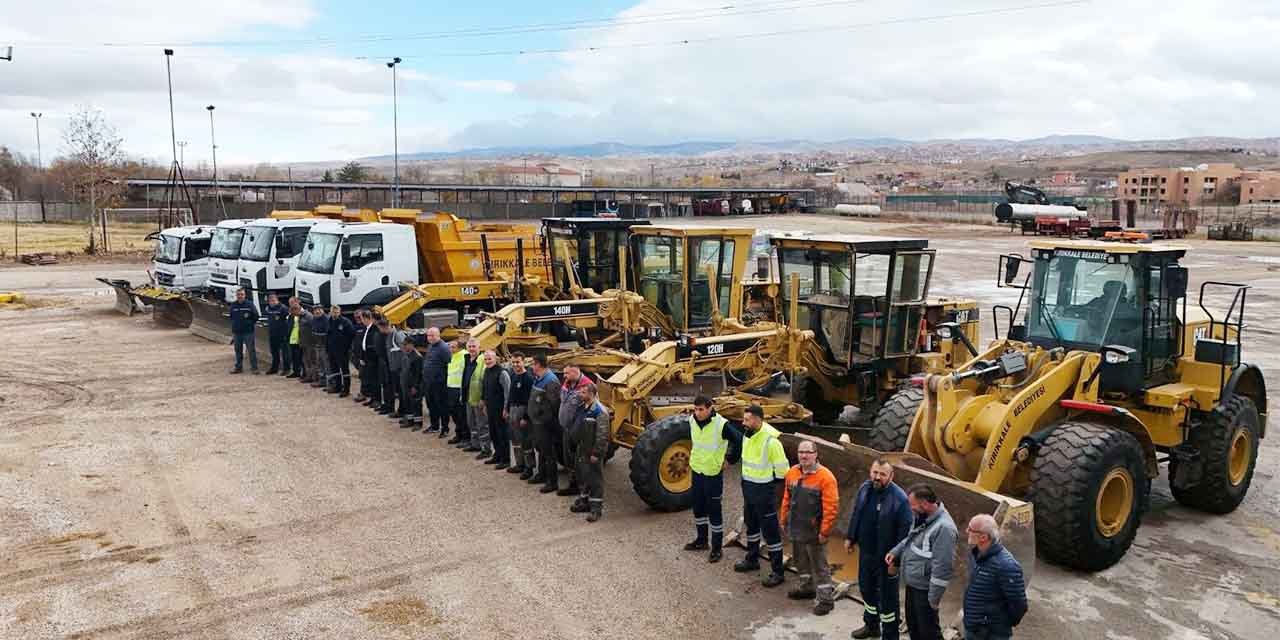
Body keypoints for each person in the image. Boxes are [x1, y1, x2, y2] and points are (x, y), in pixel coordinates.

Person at [844, 459, 913, 640]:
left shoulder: (900, 500)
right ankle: (871, 625)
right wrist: (850, 537)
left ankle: (890, 636)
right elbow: (857, 513)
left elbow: (905, 535)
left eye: (882, 474)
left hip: (886, 559)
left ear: (891, 476)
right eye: (875, 472)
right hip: (866, 553)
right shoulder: (865, 488)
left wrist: (896, 561)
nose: (877, 477)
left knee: (888, 600)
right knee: (866, 589)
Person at [887, 484, 957, 640]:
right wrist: (896, 551)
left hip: (925, 591)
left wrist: (933, 599)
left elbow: (943, 568)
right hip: (914, 584)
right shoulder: (922, 517)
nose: (911, 510)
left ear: (925, 503)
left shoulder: (944, 528)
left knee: (928, 633)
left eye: (913, 506)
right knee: (914, 627)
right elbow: (912, 538)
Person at [779, 440, 840, 616]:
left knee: (820, 566)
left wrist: (824, 532)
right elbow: (786, 498)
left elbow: (831, 508)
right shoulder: (792, 473)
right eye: (801, 452)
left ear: (816, 455)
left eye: (808, 452)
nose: (804, 455)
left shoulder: (826, 478)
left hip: (814, 532)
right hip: (796, 527)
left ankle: (826, 600)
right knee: (800, 560)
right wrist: (783, 519)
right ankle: (806, 587)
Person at [733, 404, 790, 588]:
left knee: (771, 533)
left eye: (747, 419)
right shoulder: (748, 435)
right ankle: (752, 559)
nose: (743, 423)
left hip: (764, 493)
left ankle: (777, 572)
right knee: (752, 527)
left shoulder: (771, 441)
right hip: (749, 490)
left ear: (758, 419)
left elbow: (783, 471)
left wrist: (769, 485)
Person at [683, 395, 742, 564]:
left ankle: (716, 548)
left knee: (714, 510)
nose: (698, 413)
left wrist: (730, 460)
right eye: (695, 409)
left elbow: (739, 441)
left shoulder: (721, 425)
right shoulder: (692, 421)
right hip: (697, 471)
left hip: (713, 474)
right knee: (698, 508)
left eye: (701, 409)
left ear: (710, 408)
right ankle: (701, 541)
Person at [962, 514, 1026, 640]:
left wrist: (999, 624)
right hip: (973, 627)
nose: (966, 531)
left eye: (970, 529)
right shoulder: (976, 555)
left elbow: (1019, 604)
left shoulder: (1006, 566)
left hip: (990, 633)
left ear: (983, 537)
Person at [569, 383, 610, 522]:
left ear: (591, 394)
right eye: (581, 391)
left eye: (583, 392)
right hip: (582, 449)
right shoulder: (583, 407)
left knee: (595, 479)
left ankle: (596, 509)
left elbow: (602, 435)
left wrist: (596, 454)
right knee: (584, 476)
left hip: (592, 452)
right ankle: (585, 503)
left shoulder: (599, 411)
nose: (580, 393)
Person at [556, 365, 594, 497]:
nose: (564, 376)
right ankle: (573, 485)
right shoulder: (567, 383)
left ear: (576, 371)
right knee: (569, 459)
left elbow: (592, 410)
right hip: (567, 428)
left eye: (566, 373)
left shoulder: (587, 386)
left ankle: (584, 490)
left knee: (580, 460)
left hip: (579, 431)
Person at [526, 355, 561, 493]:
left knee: (548, 453)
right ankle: (541, 474)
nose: (531, 367)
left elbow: (554, 405)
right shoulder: (539, 378)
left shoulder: (551, 381)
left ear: (539, 365)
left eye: (533, 364)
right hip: (537, 422)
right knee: (540, 449)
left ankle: (552, 482)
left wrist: (544, 421)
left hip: (545, 424)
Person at [479, 350, 512, 468]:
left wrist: (506, 409)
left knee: (502, 433)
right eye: (486, 359)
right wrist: (483, 402)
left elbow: (508, 392)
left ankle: (505, 459)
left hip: (500, 409)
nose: (487, 361)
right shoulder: (486, 371)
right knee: (493, 433)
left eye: (490, 359)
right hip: (490, 408)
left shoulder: (502, 373)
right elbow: (485, 387)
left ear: (495, 359)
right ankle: (497, 455)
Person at [505, 353, 536, 478]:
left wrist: (526, 417)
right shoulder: (513, 375)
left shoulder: (528, 378)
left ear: (523, 362)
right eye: (513, 363)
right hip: (513, 409)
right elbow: (510, 395)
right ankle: (519, 464)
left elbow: (530, 400)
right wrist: (506, 409)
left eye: (518, 362)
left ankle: (529, 468)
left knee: (526, 440)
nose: (515, 365)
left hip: (523, 410)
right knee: (516, 439)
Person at [421, 327, 452, 434]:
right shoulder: (431, 346)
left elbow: (448, 364)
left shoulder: (444, 348)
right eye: (428, 335)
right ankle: (434, 426)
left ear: (438, 335)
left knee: (442, 406)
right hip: (429, 382)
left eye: (432, 335)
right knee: (431, 405)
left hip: (439, 383)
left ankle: (445, 428)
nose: (430, 338)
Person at [464, 338, 489, 455]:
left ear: (479, 348)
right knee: (471, 423)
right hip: (469, 396)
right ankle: (475, 444)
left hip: (478, 397)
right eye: (469, 346)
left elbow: (485, 381)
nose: (472, 349)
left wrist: (483, 398)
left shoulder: (482, 361)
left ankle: (486, 448)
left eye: (474, 346)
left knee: (482, 424)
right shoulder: (467, 359)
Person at [325, 305, 355, 397]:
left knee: (345, 370)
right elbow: (327, 335)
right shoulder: (329, 321)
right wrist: (327, 348)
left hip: (343, 351)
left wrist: (347, 347)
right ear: (330, 312)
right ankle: (337, 386)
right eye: (333, 312)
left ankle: (346, 389)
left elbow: (352, 334)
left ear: (340, 312)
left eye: (336, 312)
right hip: (332, 350)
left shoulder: (345, 322)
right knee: (335, 369)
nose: (335, 314)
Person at [229, 288, 260, 374]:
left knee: (251, 350)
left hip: (248, 332)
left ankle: (254, 368)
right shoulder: (233, 305)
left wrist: (249, 324)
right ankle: (238, 367)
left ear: (245, 295)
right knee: (238, 350)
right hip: (237, 332)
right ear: (236, 295)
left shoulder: (250, 305)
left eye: (242, 294)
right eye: (238, 294)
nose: (240, 296)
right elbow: (231, 317)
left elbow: (256, 316)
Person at [354, 312, 380, 405]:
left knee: (375, 380)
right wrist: (362, 357)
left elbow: (375, 344)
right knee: (369, 379)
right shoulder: (366, 328)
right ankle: (372, 399)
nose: (361, 321)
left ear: (367, 319)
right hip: (366, 357)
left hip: (373, 358)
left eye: (362, 319)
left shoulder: (374, 329)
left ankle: (377, 399)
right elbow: (363, 344)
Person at [444, 339, 467, 442]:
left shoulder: (464, 356)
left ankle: (465, 436)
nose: (450, 349)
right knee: (454, 413)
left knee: (461, 414)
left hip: (458, 388)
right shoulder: (452, 356)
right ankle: (459, 434)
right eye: (450, 347)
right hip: (451, 387)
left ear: (460, 347)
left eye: (453, 347)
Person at [384, 321, 407, 418]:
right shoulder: (390, 335)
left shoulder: (397, 335)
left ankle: (404, 411)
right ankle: (401, 410)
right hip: (395, 368)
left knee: (403, 391)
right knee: (399, 391)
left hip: (400, 369)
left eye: (384, 328)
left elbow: (405, 351)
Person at [400, 337, 425, 428]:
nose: (404, 346)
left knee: (416, 404)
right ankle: (410, 420)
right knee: (407, 402)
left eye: (405, 344)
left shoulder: (417, 357)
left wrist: (415, 386)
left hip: (413, 385)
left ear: (411, 345)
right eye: (403, 344)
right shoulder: (406, 354)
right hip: (406, 383)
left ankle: (418, 423)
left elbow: (418, 374)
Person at [263, 293, 290, 375]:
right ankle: (274, 368)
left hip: (282, 334)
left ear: (277, 300)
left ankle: (286, 369)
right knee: (274, 352)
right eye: (270, 301)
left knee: (285, 352)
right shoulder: (267, 308)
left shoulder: (283, 308)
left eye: (274, 300)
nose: (272, 302)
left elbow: (289, 320)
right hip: (272, 334)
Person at [307, 306, 330, 388]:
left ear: (323, 310)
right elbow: (313, 330)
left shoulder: (326, 319)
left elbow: (328, 333)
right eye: (315, 310)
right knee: (319, 363)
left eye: (319, 309)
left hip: (325, 345)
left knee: (326, 364)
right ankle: (322, 380)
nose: (317, 311)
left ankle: (329, 382)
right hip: (317, 344)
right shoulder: (314, 319)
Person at [286, 298, 305, 378]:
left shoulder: (303, 312)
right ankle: (296, 371)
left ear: (298, 302)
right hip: (292, 338)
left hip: (300, 339)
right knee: (294, 356)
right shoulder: (291, 313)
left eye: (293, 302)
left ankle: (304, 373)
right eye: (290, 303)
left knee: (301, 357)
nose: (292, 304)